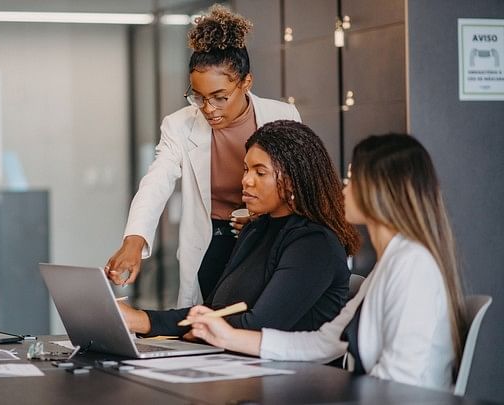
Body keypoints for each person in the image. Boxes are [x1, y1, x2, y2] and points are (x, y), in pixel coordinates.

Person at [187, 134, 466, 391]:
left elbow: (401, 381)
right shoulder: (392, 263)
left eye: (351, 178)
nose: (344, 188)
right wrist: (225, 336)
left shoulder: (413, 266)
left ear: (379, 190)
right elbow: (324, 342)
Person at [106, 5, 301, 306]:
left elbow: (301, 185)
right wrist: (135, 240)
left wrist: (264, 215)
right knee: (206, 321)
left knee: (260, 318)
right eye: (199, 97)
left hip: (269, 237)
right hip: (214, 239)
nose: (208, 109)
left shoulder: (282, 116)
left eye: (220, 97)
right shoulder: (179, 125)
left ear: (246, 82)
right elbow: (156, 182)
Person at [118, 120, 359, 337]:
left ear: (294, 179)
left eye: (260, 172)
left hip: (295, 378)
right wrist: (142, 320)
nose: (246, 180)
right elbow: (213, 311)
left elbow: (261, 326)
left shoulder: (314, 243)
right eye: (246, 169)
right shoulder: (255, 230)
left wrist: (201, 328)